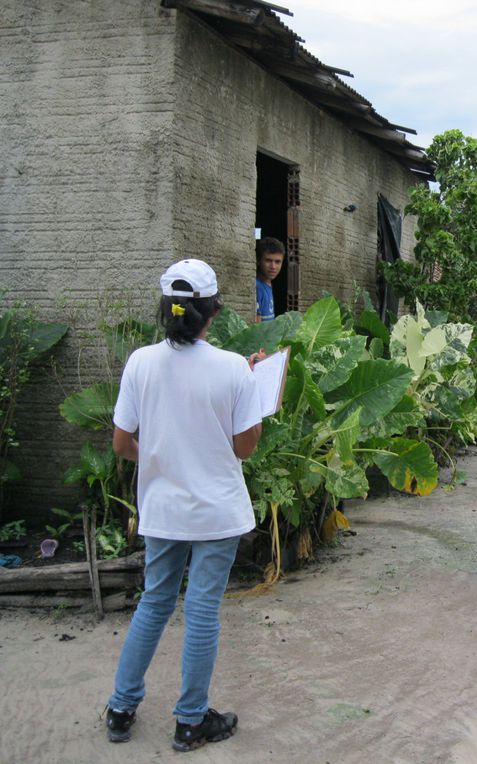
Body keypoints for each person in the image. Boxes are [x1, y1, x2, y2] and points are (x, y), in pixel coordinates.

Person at [104, 258, 264, 751]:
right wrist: (253, 387)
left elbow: (121, 443)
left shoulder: (140, 362)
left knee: (153, 603)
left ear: (167, 311)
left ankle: (120, 708)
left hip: (163, 510)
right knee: (201, 611)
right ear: (213, 311)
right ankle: (190, 720)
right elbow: (244, 448)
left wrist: (161, 459)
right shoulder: (234, 369)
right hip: (216, 514)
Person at [255, 237, 285, 322]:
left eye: (277, 262)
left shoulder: (268, 285)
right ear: (258, 261)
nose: (273, 267)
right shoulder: (257, 287)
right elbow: (256, 330)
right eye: (268, 260)